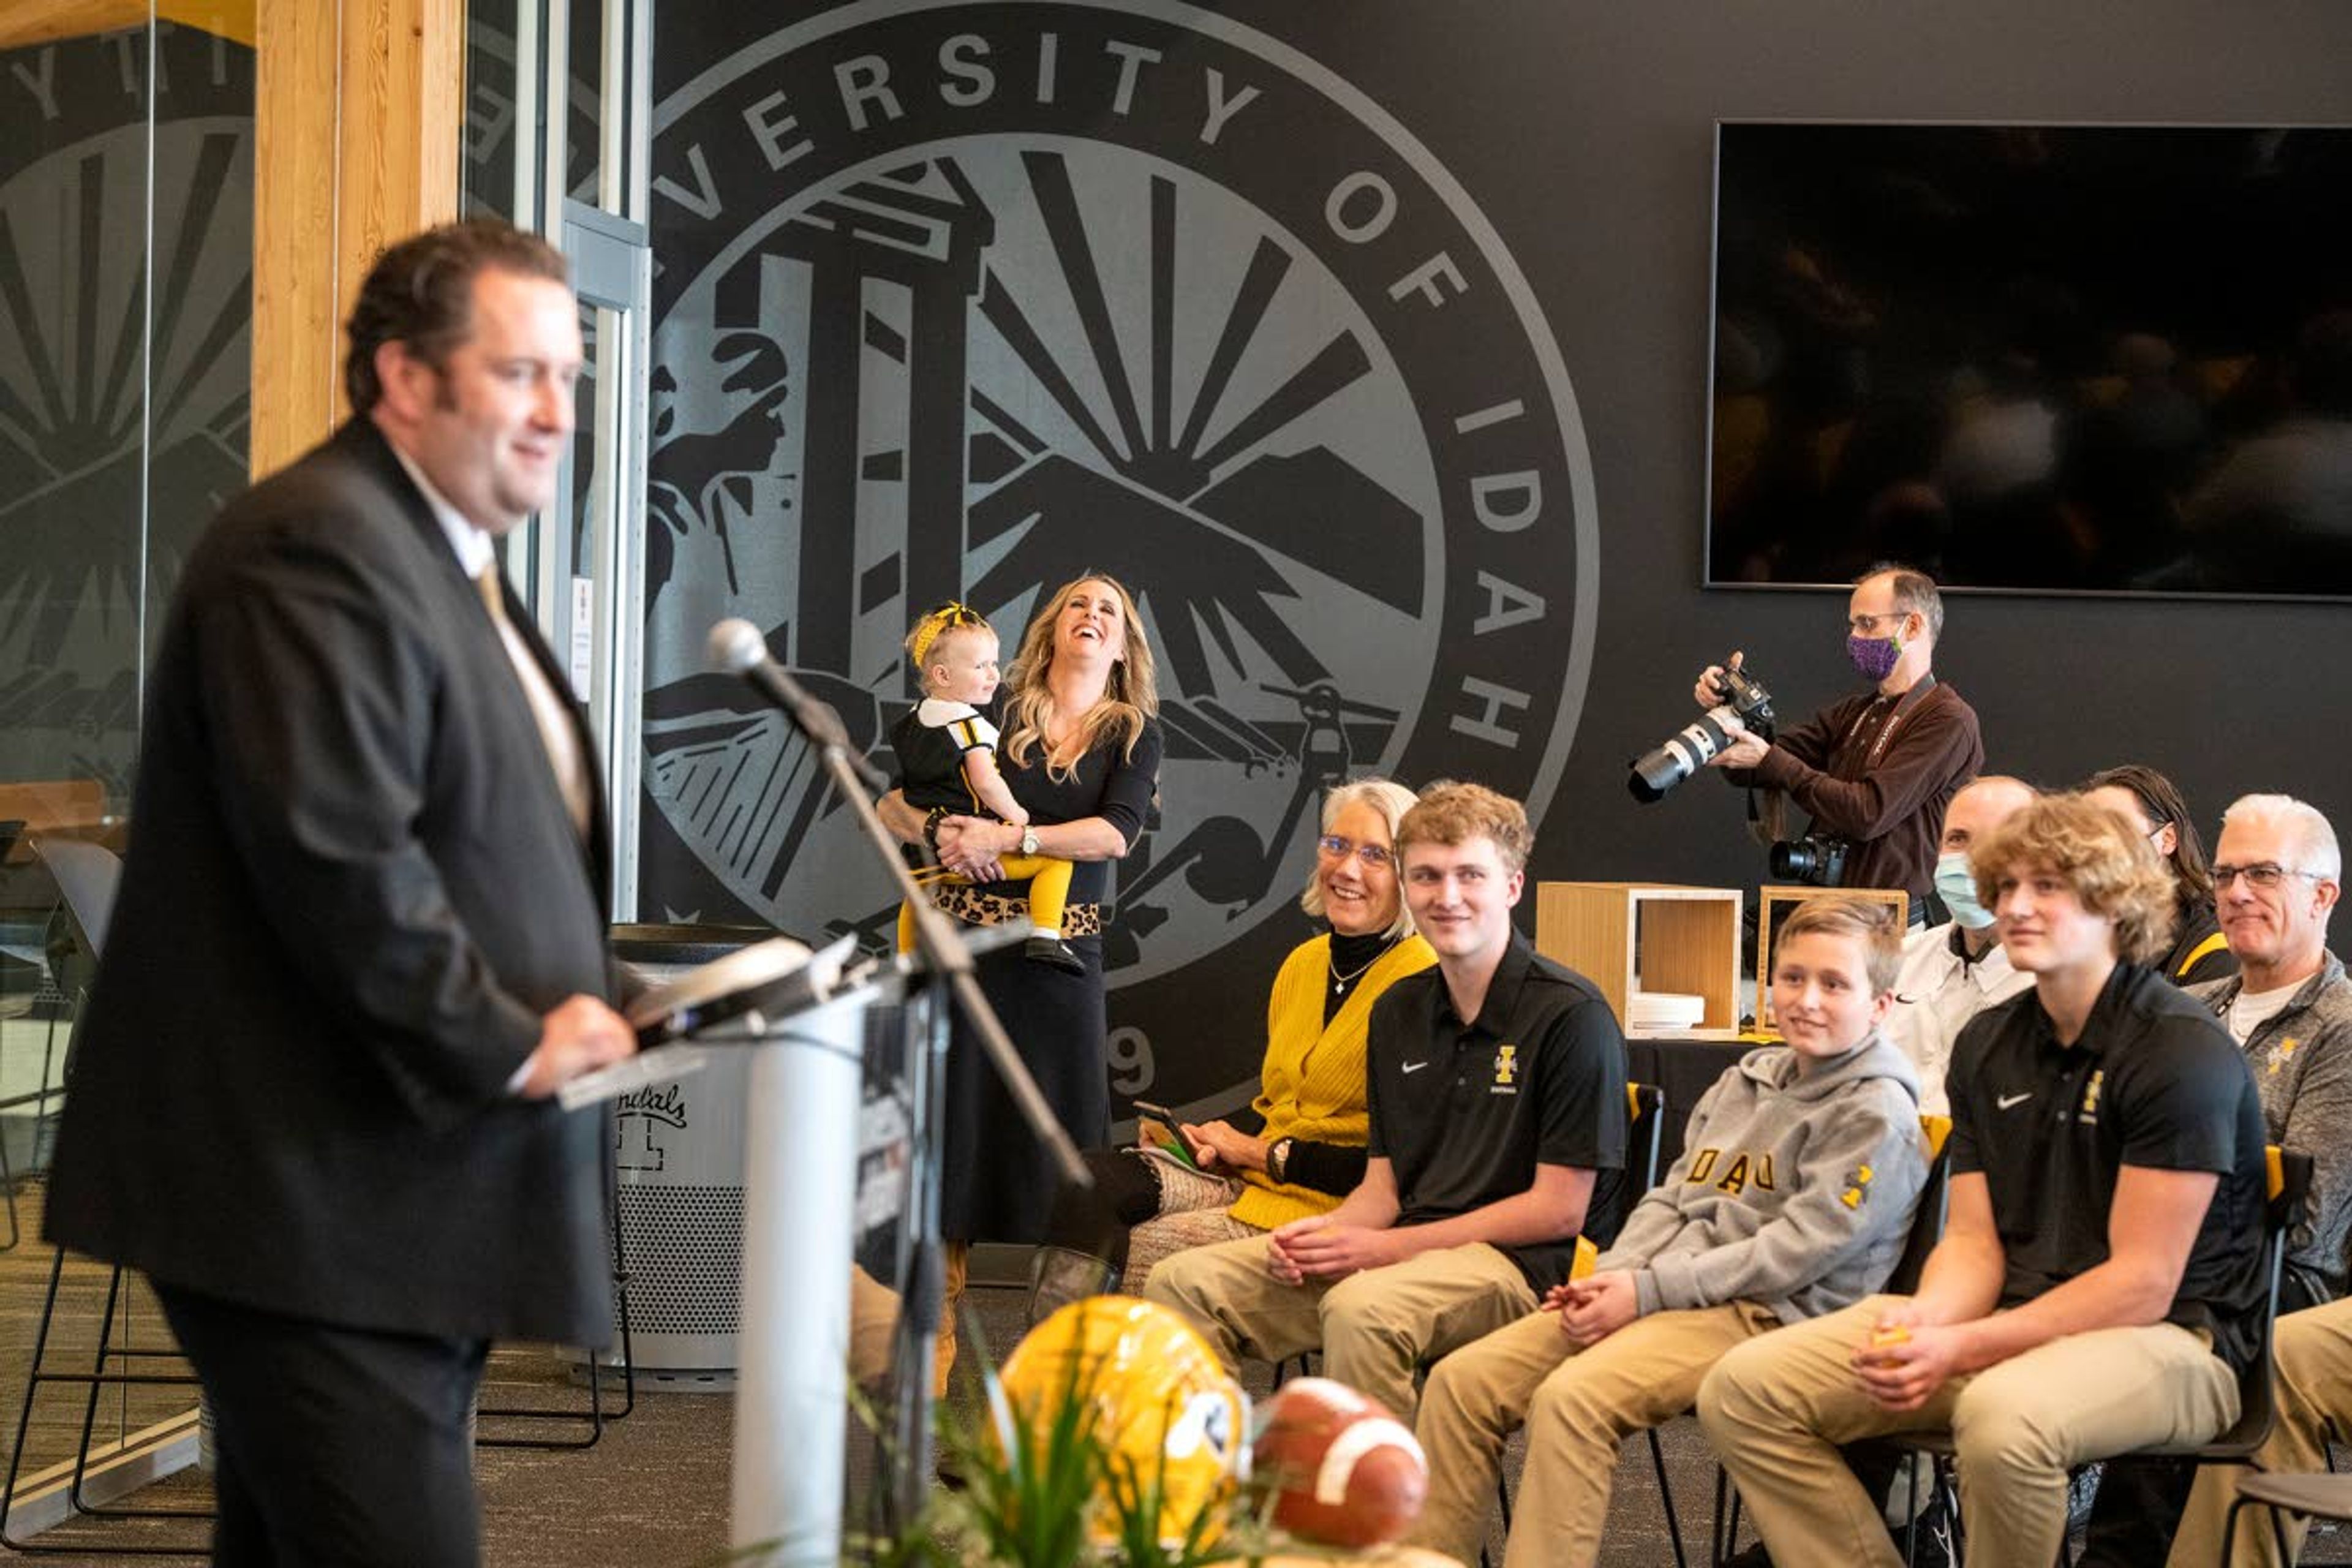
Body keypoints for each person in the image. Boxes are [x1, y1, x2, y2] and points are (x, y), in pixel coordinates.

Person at [42, 220, 639, 1566]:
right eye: (518, 374)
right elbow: (337, 857)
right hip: (307, 1198)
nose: (555, 413)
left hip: (384, 1193)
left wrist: (618, 995)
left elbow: (487, 848)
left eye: (568, 375)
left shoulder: (434, 554)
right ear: (405, 380)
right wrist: (513, 1035)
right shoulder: (311, 544)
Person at [1697, 793, 2270, 1568]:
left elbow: (2141, 1283)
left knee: (2006, 1420)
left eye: (2049, 888)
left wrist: (1964, 1342)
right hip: (2012, 1322)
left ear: (2116, 902)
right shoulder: (1989, 1044)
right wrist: (1928, 1321)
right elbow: (1971, 1240)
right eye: (2008, 888)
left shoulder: (2179, 1050)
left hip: (2177, 1343)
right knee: (1746, 1387)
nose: (2016, 907)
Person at [1411, 895, 1928, 1568]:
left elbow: (1793, 1254)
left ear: (1881, 1006)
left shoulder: (1877, 1112)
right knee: (1462, 1383)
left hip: (1770, 1317)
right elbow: (1672, 1198)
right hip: (1669, 1291)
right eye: (1792, 977)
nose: (1807, 999)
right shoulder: (1744, 1081)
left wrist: (1645, 1292)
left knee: (1574, 1400)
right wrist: (1611, 1278)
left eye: (1835, 984)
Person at [1145, 782, 1628, 1424]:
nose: (1446, 896)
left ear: (1512, 886)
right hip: (1401, 1251)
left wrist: (1383, 1250)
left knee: (1362, 1308)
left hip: (1520, 1270)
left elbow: (1556, 1211)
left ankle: (1369, 1519)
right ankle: (1208, 1510)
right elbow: (1383, 1189)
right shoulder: (1397, 1010)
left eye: (1470, 876)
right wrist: (1327, 1233)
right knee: (1182, 1284)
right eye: (1427, 875)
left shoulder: (1572, 1014)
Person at [877, 571, 1163, 1383]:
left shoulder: (1134, 732)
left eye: (1110, 608)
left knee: (1069, 1162)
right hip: (960, 953)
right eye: (1079, 602)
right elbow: (891, 803)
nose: (1092, 614)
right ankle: (924, 1366)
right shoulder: (987, 702)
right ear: (1051, 625)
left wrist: (1010, 843)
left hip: (1059, 962)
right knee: (945, 1144)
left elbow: (1112, 838)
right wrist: (940, 827)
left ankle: (1051, 1381)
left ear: (1123, 644)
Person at [1030, 778, 1436, 1308]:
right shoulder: (1304, 965)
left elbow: (1399, 1168)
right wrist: (1214, 1151)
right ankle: (1049, 1381)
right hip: (1256, 1180)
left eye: (1375, 855)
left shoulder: (1424, 982)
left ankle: (1099, 1383)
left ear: (1411, 873)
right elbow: (1288, 1108)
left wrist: (1255, 1152)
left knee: (1144, 1252)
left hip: (1336, 1209)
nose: (1348, 869)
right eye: (1336, 845)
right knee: (1091, 1180)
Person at [2087, 793, 2351, 1567]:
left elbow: (2305, 1220)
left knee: (2175, 1324)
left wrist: (2154, 1215)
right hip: (2154, 1256)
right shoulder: (2181, 1009)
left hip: (2284, 1281)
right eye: (2228, 872)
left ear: (2322, 894)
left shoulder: (2341, 1028)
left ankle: (2115, 1556)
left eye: (2264, 873)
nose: (2236, 891)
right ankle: (1923, 1521)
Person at [1697, 562, 1983, 912]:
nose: (1855, 639)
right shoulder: (1854, 713)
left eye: (1867, 623)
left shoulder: (1947, 719)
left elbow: (1868, 814)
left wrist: (1771, 761)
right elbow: (1750, 769)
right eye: (1853, 625)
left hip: (1887, 926)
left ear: (1913, 626)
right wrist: (1733, 711)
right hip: (1825, 913)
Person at [890, 600, 1079, 972]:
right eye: (981, 667)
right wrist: (1017, 816)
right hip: (969, 848)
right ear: (943, 676)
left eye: (994, 663)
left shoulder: (913, 720)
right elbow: (986, 782)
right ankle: (1046, 934)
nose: (994, 675)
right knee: (1057, 860)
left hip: (919, 857)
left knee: (917, 902)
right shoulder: (969, 725)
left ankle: (906, 961)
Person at [1885, 774, 2040, 1114]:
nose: (1972, 858)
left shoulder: (2057, 985)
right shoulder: (1899, 961)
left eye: (1998, 842)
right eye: (1957, 839)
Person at [2080, 763, 2237, 986]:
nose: (2102, 851)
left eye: (2120, 833)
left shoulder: (2215, 949)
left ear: (2167, 839)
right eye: (2087, 838)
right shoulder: (2079, 936)